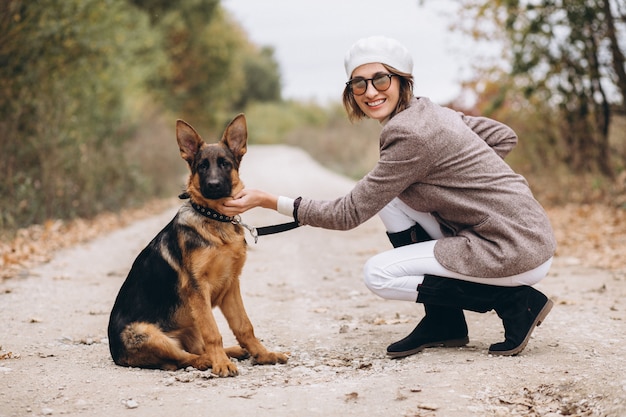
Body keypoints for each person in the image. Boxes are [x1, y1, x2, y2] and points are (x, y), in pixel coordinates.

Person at [220, 36, 557, 358]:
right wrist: (466, 185)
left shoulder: (410, 133)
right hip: (528, 234)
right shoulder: (431, 111)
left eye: (380, 79)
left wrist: (266, 200)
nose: (370, 92)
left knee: (378, 275)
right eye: (358, 83)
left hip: (512, 249)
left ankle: (514, 302)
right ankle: (444, 322)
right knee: (396, 199)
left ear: (401, 80)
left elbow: (347, 214)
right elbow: (503, 136)